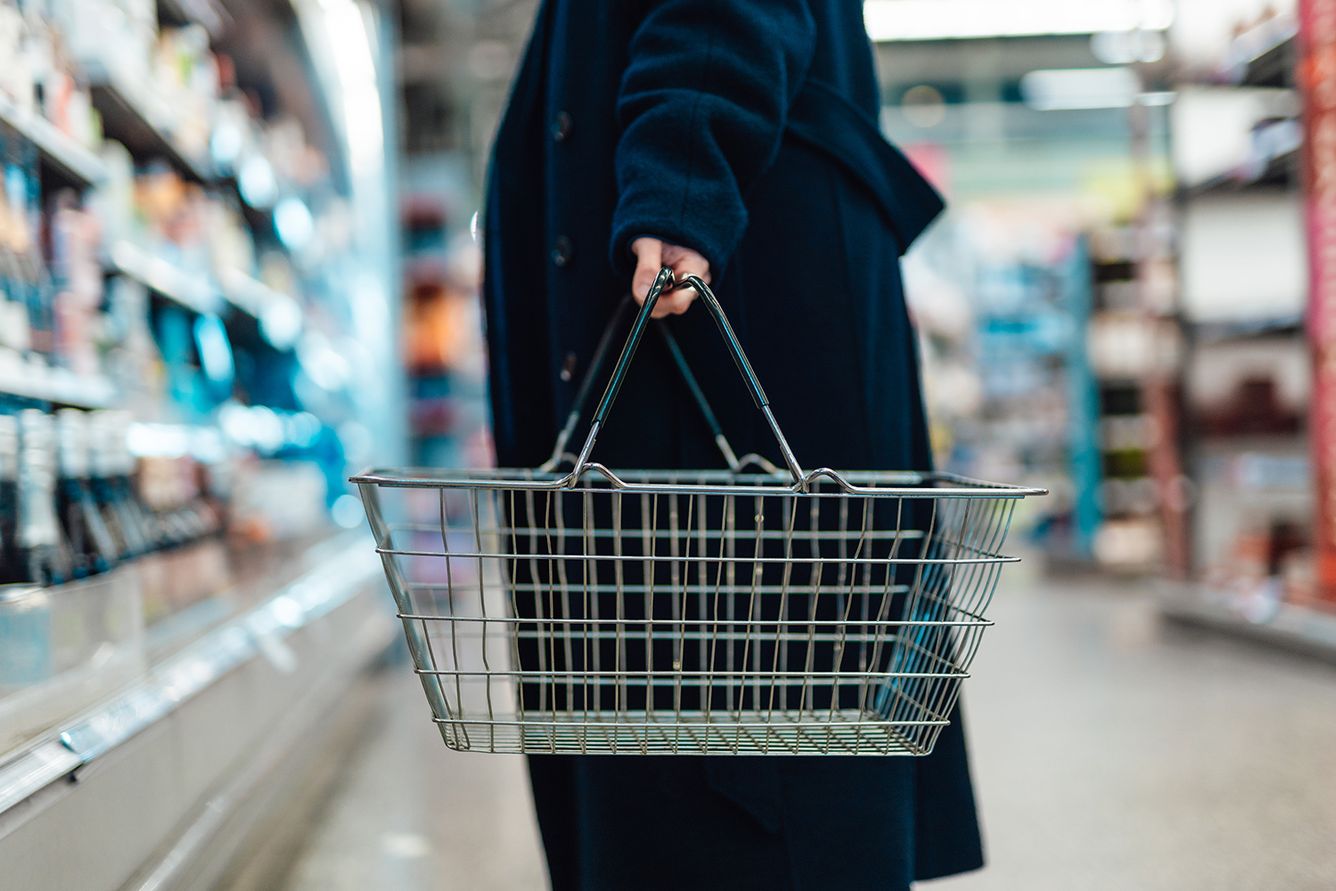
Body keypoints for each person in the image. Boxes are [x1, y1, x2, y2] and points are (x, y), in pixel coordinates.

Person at [482, 2, 981, 888]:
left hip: (724, 275)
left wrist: (682, 168)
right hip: (695, 272)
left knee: (748, 764)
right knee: (676, 743)